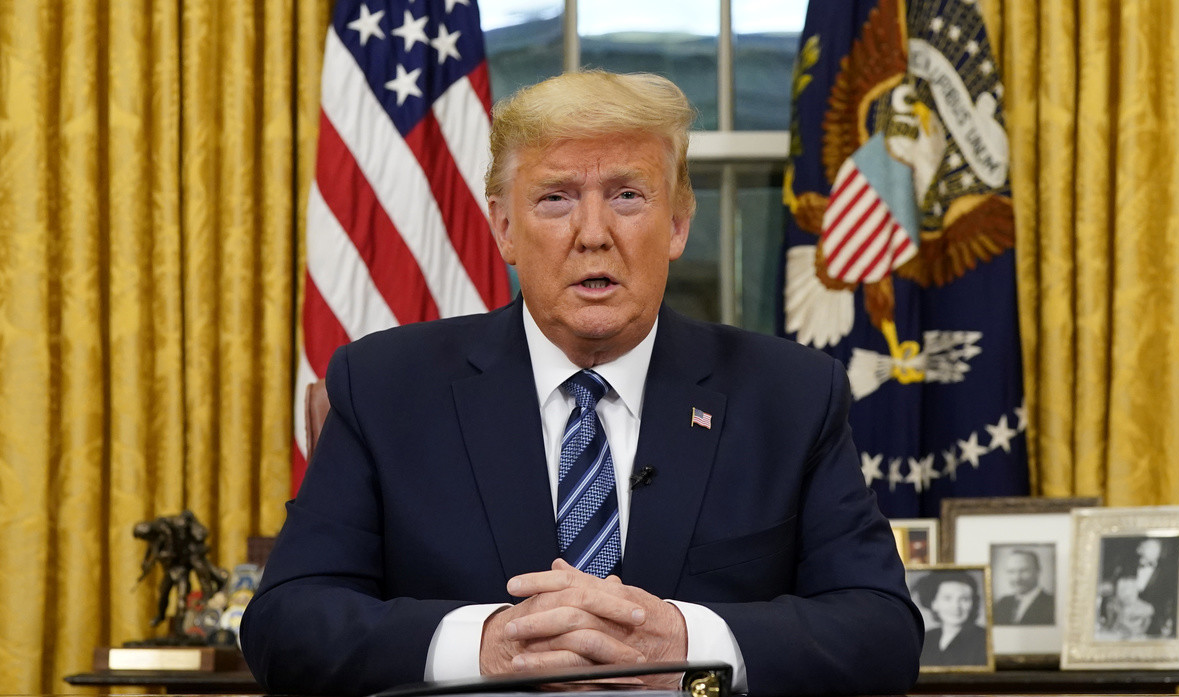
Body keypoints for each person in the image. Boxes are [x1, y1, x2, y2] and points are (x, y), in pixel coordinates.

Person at [239, 71, 923, 696]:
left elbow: (882, 632)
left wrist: (685, 644)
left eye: (627, 195)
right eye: (555, 199)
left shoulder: (792, 396)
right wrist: (487, 646)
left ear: (678, 223)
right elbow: (286, 623)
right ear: (504, 226)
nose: (593, 233)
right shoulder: (385, 388)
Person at [915, 571, 988, 666]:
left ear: (973, 603)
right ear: (934, 603)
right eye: (947, 598)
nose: (956, 606)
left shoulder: (984, 639)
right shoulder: (925, 639)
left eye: (964, 599)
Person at [992, 549, 1054, 625]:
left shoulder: (1051, 605)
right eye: (1011, 571)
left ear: (1038, 571)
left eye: (1024, 571)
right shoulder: (1002, 603)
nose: (1017, 578)